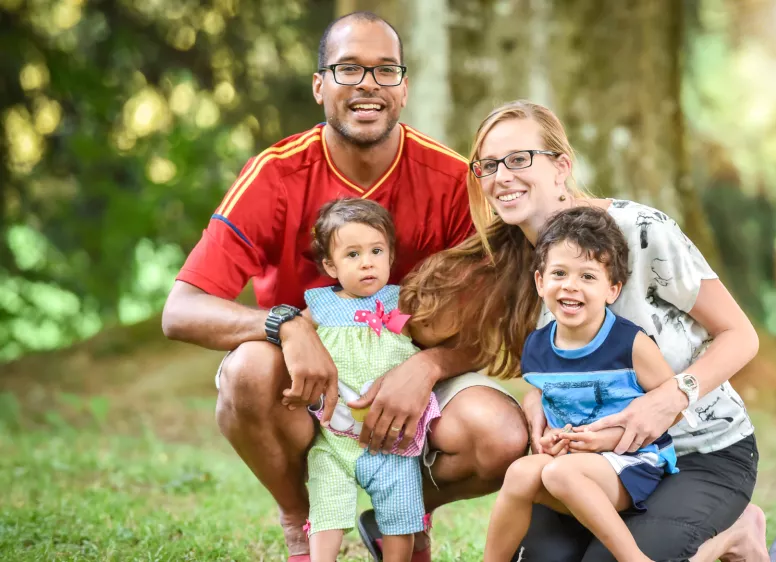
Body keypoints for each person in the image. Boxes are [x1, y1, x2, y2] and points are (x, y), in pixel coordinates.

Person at [161, 12, 527, 562]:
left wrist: (427, 366)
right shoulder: (275, 175)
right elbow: (181, 311)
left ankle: (400, 512)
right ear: (319, 86)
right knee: (247, 371)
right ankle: (300, 518)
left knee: (500, 438)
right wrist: (287, 326)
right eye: (349, 69)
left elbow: (491, 321)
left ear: (404, 88)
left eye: (385, 71)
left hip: (409, 380)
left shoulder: (454, 181)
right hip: (303, 383)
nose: (368, 85)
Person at [401, 100, 776, 561]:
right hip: (592, 465)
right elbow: (561, 360)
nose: (502, 176)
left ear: (561, 167)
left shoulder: (640, 231)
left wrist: (669, 398)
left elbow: (741, 335)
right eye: (489, 165)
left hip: (697, 454)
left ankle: (734, 533)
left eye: (518, 159)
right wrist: (537, 400)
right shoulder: (518, 267)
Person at [484, 206, 684, 562]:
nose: (570, 285)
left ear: (612, 289)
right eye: (559, 273)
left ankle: (634, 559)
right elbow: (548, 397)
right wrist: (551, 434)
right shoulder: (537, 347)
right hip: (573, 462)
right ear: (540, 282)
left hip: (633, 462)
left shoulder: (631, 345)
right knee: (520, 473)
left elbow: (672, 407)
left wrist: (607, 439)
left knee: (559, 473)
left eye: (588, 276)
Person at [301, 198, 438, 562]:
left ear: (390, 256)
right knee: (327, 503)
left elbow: (433, 337)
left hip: (391, 435)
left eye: (376, 251)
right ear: (330, 265)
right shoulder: (320, 307)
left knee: (401, 508)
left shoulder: (402, 301)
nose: (367, 262)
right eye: (352, 254)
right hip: (333, 436)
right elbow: (295, 342)